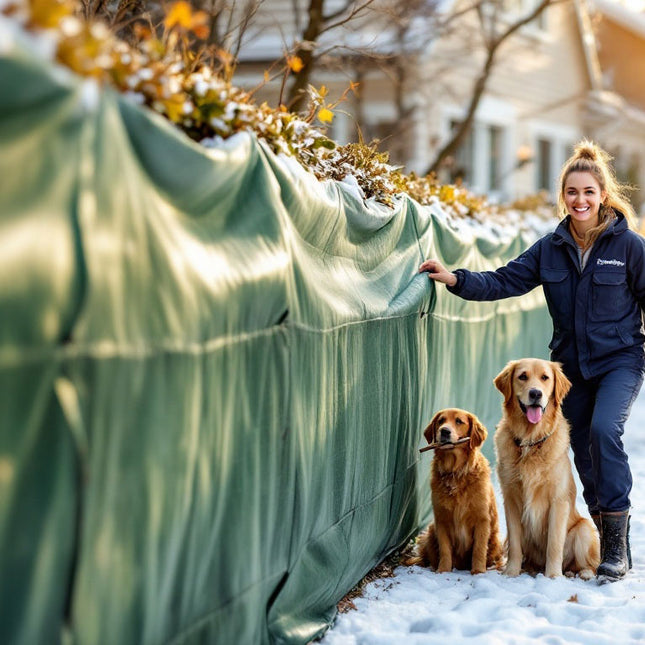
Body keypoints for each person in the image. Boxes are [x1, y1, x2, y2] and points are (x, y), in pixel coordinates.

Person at [419, 140, 645, 583]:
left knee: (604, 431)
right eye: (571, 192)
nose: (580, 201)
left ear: (603, 195)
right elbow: (505, 279)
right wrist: (455, 279)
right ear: (564, 196)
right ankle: (602, 533)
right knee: (581, 448)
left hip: (620, 359)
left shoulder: (630, 246)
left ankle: (616, 545)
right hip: (569, 369)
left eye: (588, 192)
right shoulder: (550, 248)